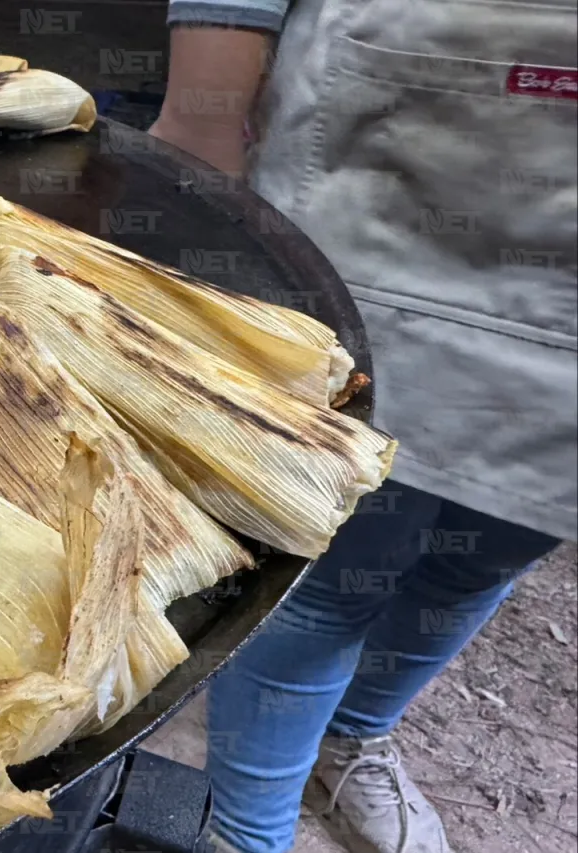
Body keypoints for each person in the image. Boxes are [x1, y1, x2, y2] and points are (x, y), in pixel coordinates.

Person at [147, 1, 578, 852]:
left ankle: (356, 733)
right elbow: (201, 116)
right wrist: (198, 143)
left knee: (492, 549)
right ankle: (245, 825)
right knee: (330, 575)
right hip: (391, 190)